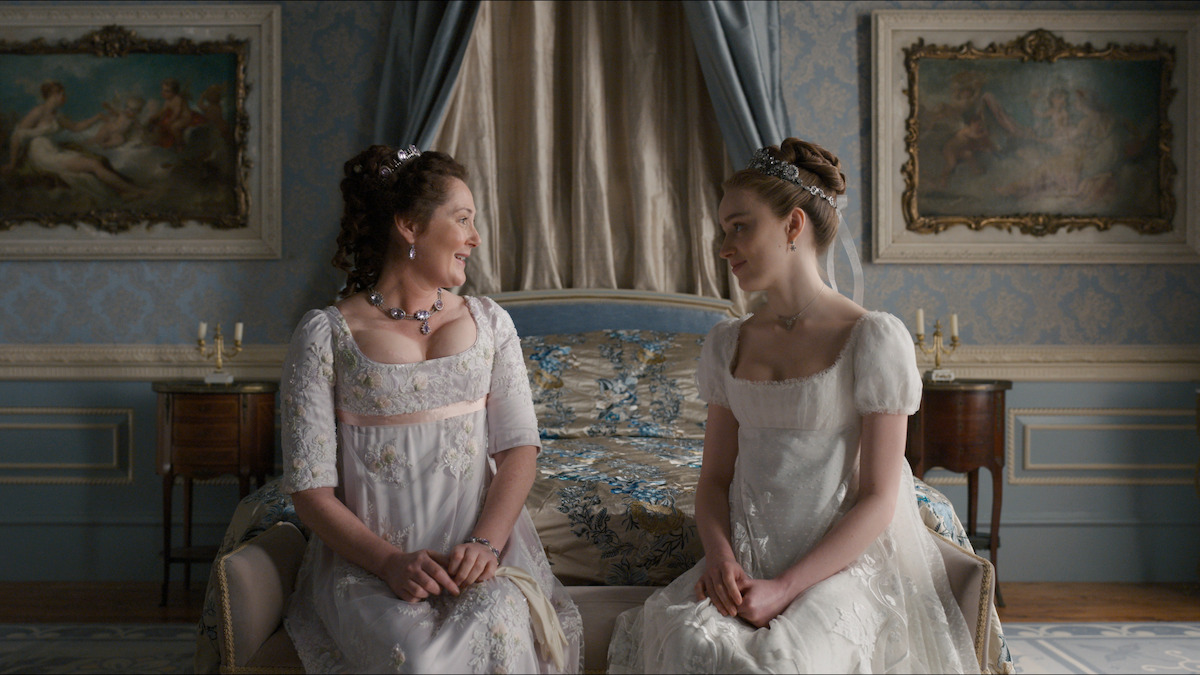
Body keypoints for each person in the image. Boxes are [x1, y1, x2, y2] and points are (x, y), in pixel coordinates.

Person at [607, 138, 983, 673]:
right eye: (723, 230)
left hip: (838, 569)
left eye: (740, 226)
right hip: (743, 564)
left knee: (786, 661)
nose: (724, 246)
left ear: (792, 226)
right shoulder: (727, 343)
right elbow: (714, 479)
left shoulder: (872, 339)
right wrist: (719, 559)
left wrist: (785, 588)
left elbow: (879, 497)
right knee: (691, 642)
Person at [281, 145, 582, 673]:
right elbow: (309, 491)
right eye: (462, 220)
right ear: (409, 225)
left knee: (498, 624)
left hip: (481, 561)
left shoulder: (491, 323)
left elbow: (518, 451)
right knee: (417, 660)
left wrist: (486, 544)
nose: (475, 238)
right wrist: (390, 562)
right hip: (370, 567)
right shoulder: (326, 334)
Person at [1, 80, 146, 197]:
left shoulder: (57, 115)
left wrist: (97, 117)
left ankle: (127, 190)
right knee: (93, 165)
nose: (65, 97)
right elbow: (17, 135)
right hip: (42, 154)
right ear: (54, 95)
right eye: (63, 94)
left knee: (93, 164)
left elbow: (77, 127)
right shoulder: (37, 112)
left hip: (53, 150)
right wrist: (13, 164)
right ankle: (135, 191)